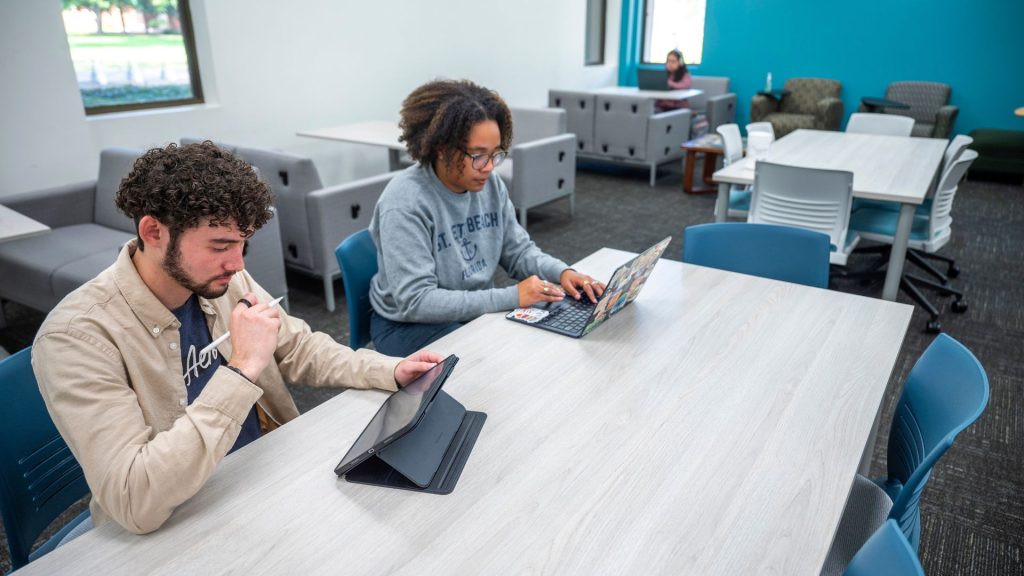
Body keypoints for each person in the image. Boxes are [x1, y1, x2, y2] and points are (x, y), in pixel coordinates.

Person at [32, 142, 442, 536]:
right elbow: (135, 499)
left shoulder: (220, 277)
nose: (238, 263)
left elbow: (297, 345)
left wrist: (390, 368)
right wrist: (242, 369)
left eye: (243, 244)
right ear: (153, 231)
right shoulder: (77, 337)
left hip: (258, 469)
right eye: (221, 245)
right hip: (180, 514)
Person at [368, 79, 606, 357]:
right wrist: (512, 297)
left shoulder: (490, 186)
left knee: (550, 341)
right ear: (442, 149)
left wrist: (563, 272)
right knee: (492, 364)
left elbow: (518, 251)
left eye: (495, 155)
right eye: (478, 156)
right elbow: (417, 301)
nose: (490, 167)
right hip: (407, 325)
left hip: (472, 310)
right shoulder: (405, 202)